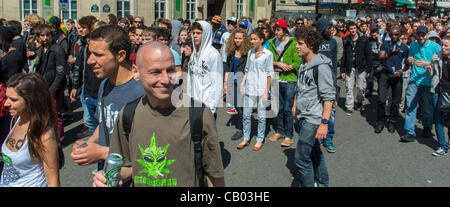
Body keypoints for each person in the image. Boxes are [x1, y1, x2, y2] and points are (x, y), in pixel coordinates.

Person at [93, 41, 225, 187]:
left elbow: (215, 176)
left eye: (170, 70)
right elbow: (127, 166)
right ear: (136, 72)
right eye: (155, 72)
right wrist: (109, 177)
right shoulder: (128, 114)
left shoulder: (198, 114)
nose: (165, 79)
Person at [70, 25, 145, 174]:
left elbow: (147, 151)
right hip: (106, 174)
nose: (90, 61)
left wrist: (102, 152)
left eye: (98, 55)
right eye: (90, 54)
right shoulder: (105, 83)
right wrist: (90, 143)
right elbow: (104, 122)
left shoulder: (141, 93)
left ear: (121, 55)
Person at [292, 26, 335, 187]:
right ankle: (323, 183)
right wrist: (295, 106)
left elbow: (329, 98)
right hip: (303, 115)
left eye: (300, 43)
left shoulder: (321, 67)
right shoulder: (303, 63)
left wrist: (324, 124)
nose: (297, 46)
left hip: (314, 119)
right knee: (315, 152)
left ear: (310, 45)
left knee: (301, 158)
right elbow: (299, 88)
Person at [1, 73, 60, 187]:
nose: (6, 103)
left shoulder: (44, 135)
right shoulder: (16, 120)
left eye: (13, 99)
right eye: (7, 97)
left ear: (31, 101)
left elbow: (53, 181)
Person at [400, 26, 442, 142]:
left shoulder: (435, 47)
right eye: (419, 34)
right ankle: (410, 131)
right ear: (416, 35)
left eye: (423, 34)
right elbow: (410, 57)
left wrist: (427, 64)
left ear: (427, 35)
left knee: (427, 107)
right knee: (410, 105)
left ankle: (427, 127)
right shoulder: (413, 45)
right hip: (414, 80)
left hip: (428, 81)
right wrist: (409, 60)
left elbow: (440, 63)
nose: (421, 36)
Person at [267, 19, 302, 147]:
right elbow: (267, 59)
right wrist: (278, 64)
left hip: (289, 80)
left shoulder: (293, 43)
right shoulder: (271, 43)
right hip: (276, 78)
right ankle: (280, 131)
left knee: (287, 108)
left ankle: (289, 135)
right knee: (278, 107)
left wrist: (287, 67)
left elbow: (297, 62)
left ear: (285, 30)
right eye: (275, 29)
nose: (275, 32)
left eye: (278, 30)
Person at [237, 30, 274, 151]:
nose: (252, 41)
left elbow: (270, 74)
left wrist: (266, 92)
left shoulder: (268, 54)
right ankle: (246, 138)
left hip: (262, 88)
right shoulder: (250, 52)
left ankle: (259, 139)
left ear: (261, 40)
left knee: (261, 116)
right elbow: (247, 69)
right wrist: (242, 83)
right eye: (251, 39)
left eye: (255, 39)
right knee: (246, 115)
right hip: (249, 87)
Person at [33, 24, 67, 143]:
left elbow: (61, 72)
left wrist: (52, 90)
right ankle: (48, 136)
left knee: (55, 114)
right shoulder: (41, 49)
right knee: (44, 113)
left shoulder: (57, 49)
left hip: (54, 87)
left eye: (48, 35)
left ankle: (59, 140)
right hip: (43, 86)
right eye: (43, 35)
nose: (45, 38)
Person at [70, 16, 102, 138]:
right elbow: (79, 66)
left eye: (83, 27)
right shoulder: (82, 44)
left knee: (99, 121)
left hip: (97, 87)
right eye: (79, 27)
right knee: (90, 119)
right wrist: (75, 86)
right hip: (86, 86)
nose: (80, 30)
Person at [375, 27, 409, 134]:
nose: (394, 37)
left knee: (395, 101)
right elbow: (381, 58)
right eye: (392, 35)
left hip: (397, 76)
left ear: (400, 35)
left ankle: (392, 122)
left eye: (396, 35)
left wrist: (402, 70)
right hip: (385, 73)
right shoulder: (385, 44)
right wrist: (390, 54)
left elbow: (406, 64)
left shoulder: (404, 47)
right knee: (381, 99)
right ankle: (380, 121)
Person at [187, 21, 223, 118]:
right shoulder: (193, 55)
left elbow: (217, 83)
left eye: (198, 33)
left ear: (206, 34)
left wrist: (211, 108)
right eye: (193, 33)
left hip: (207, 106)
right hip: (194, 104)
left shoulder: (213, 55)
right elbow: (190, 79)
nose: (195, 36)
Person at [313, 18, 338, 153]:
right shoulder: (314, 42)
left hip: (329, 82)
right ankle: (318, 137)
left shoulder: (333, 42)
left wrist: (333, 81)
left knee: (331, 113)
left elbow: (334, 64)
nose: (331, 29)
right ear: (323, 28)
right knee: (317, 111)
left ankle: (329, 138)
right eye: (329, 27)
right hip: (316, 82)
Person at [224, 29, 251, 141]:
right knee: (237, 105)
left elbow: (248, 70)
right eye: (236, 38)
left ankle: (242, 129)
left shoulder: (248, 53)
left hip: (243, 83)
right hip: (233, 82)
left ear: (244, 39)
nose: (237, 40)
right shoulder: (231, 52)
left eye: (240, 38)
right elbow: (228, 69)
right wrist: (225, 83)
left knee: (242, 107)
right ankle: (243, 127)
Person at [341, 21, 373, 115]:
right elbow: (344, 56)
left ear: (357, 29)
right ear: (348, 30)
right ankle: (349, 106)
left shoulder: (363, 40)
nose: (353, 30)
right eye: (351, 29)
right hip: (349, 66)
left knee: (361, 88)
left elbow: (368, 54)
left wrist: (369, 69)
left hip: (361, 66)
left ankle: (359, 102)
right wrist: (342, 69)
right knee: (349, 88)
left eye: (354, 28)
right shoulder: (346, 40)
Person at [429, 35, 450, 156]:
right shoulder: (437, 56)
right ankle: (442, 145)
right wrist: (429, 71)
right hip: (438, 91)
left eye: (446, 45)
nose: (443, 47)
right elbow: (432, 73)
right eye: (442, 45)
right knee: (438, 119)